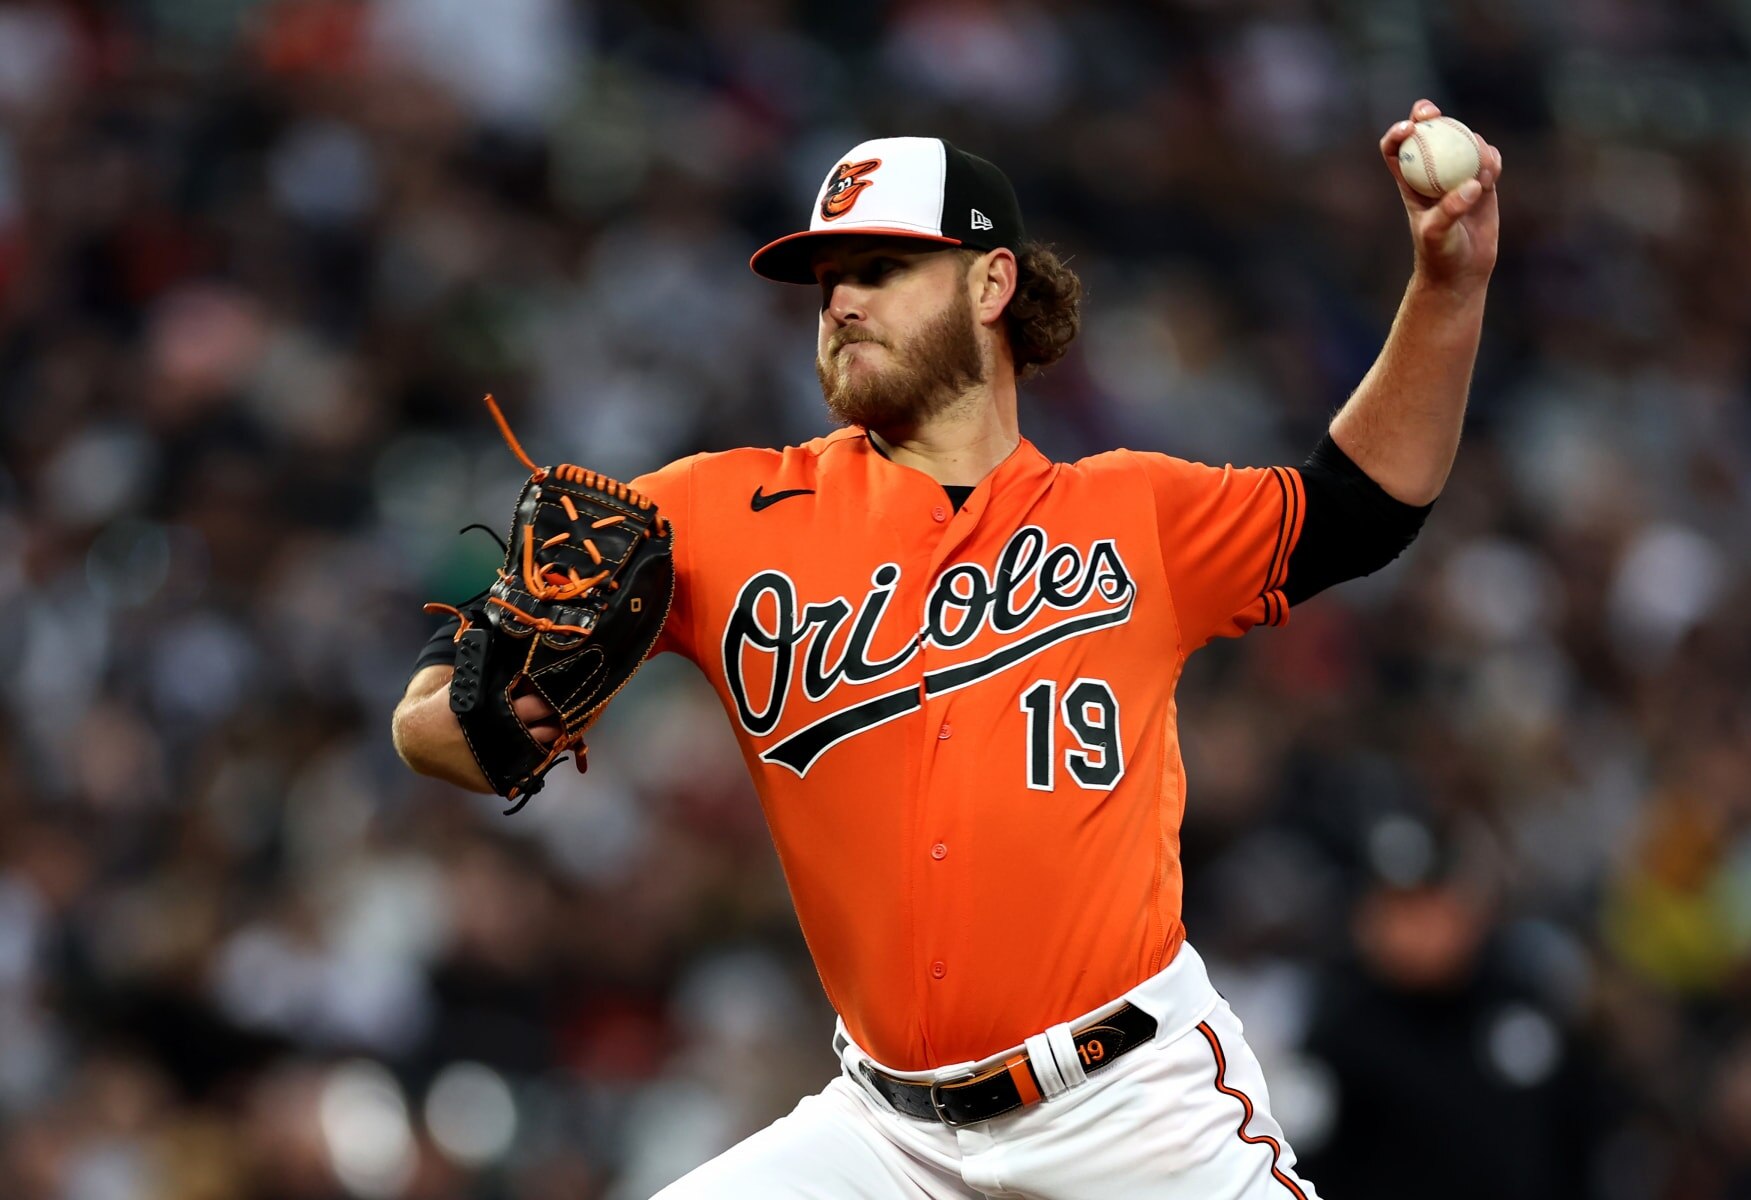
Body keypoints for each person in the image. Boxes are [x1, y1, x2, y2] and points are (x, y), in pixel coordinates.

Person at [392, 98, 1503, 1198]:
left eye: (881, 268)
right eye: (828, 280)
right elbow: (433, 718)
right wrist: (477, 724)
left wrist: (1447, 289)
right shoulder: (717, 514)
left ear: (990, 283)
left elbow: (1365, 506)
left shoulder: (1135, 516)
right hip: (886, 1139)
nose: (843, 301)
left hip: (1129, 1113)